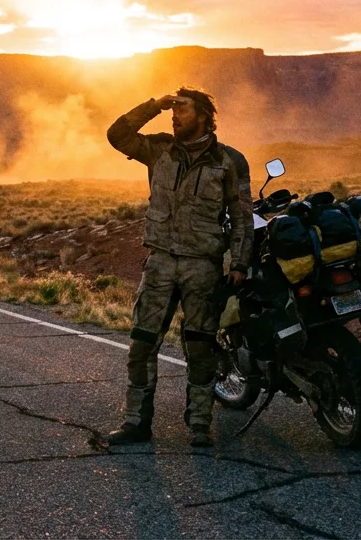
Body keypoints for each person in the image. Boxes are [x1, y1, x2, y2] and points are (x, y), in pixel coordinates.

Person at [103, 88, 252, 447]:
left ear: (203, 115)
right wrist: (153, 105)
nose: (174, 115)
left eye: (181, 109)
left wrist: (240, 263)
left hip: (202, 266)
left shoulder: (229, 161)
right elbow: (117, 135)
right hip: (160, 262)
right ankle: (136, 422)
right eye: (173, 110)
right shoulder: (159, 150)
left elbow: (242, 216)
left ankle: (199, 424)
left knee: (201, 349)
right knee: (142, 344)